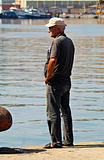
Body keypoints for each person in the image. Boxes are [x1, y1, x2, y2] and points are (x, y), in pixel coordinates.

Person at [43, 17, 75, 149]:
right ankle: (68, 140)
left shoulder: (57, 42)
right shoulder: (69, 41)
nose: (48, 30)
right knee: (65, 111)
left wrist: (48, 76)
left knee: (53, 111)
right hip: (66, 81)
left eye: (50, 28)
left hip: (55, 81)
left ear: (58, 29)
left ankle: (55, 142)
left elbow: (53, 60)